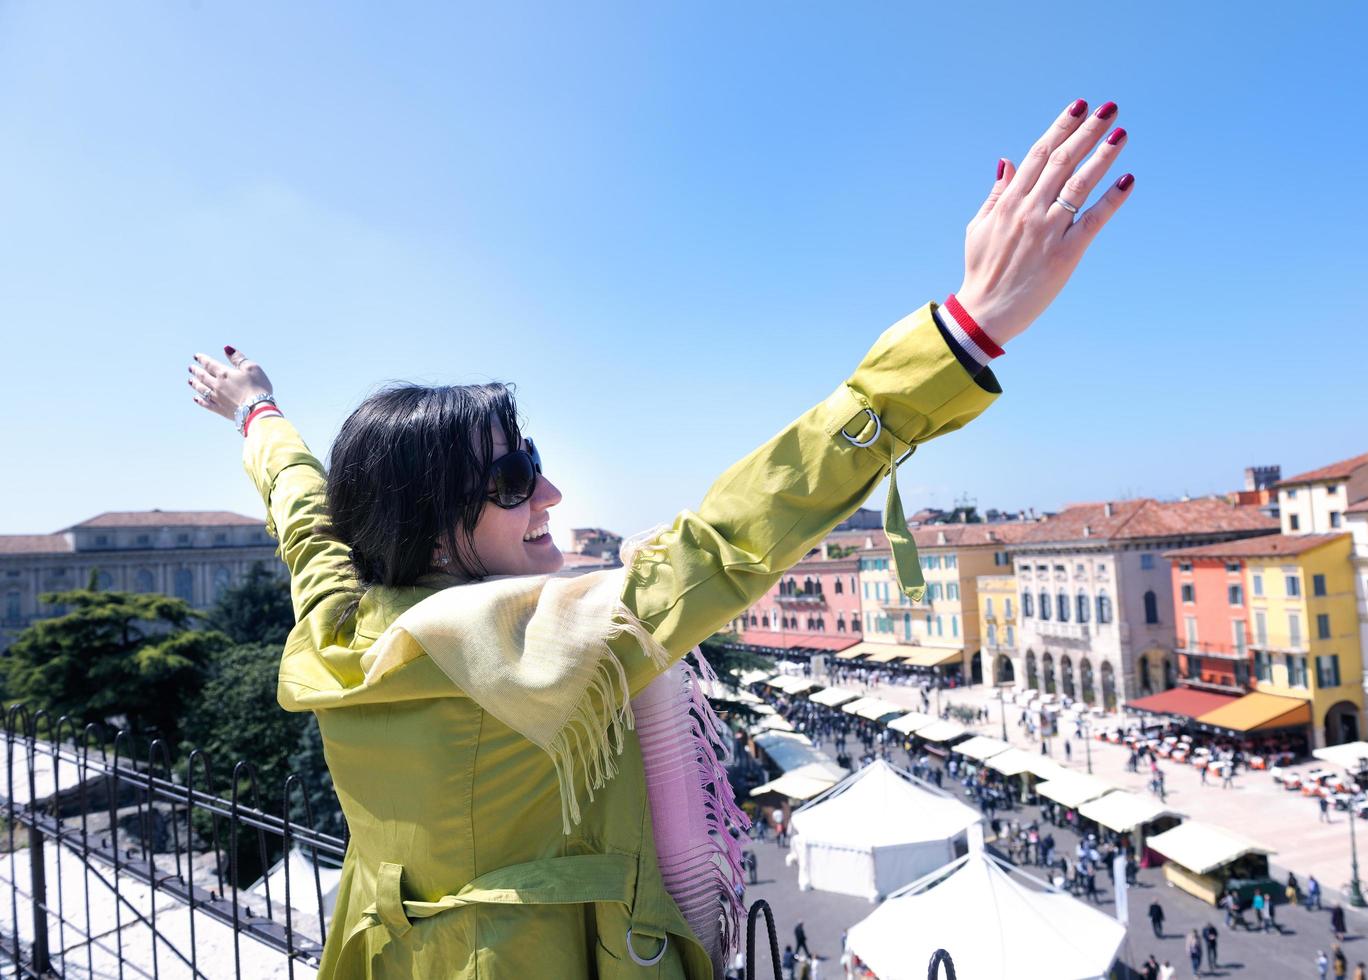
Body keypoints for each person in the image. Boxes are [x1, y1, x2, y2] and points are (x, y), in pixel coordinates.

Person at [183, 97, 1135, 978]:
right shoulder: (532, 647)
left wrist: (257, 412)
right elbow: (734, 534)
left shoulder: (344, 618)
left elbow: (305, 514)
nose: (550, 491)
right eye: (514, 481)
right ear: (433, 537)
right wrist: (964, 331)